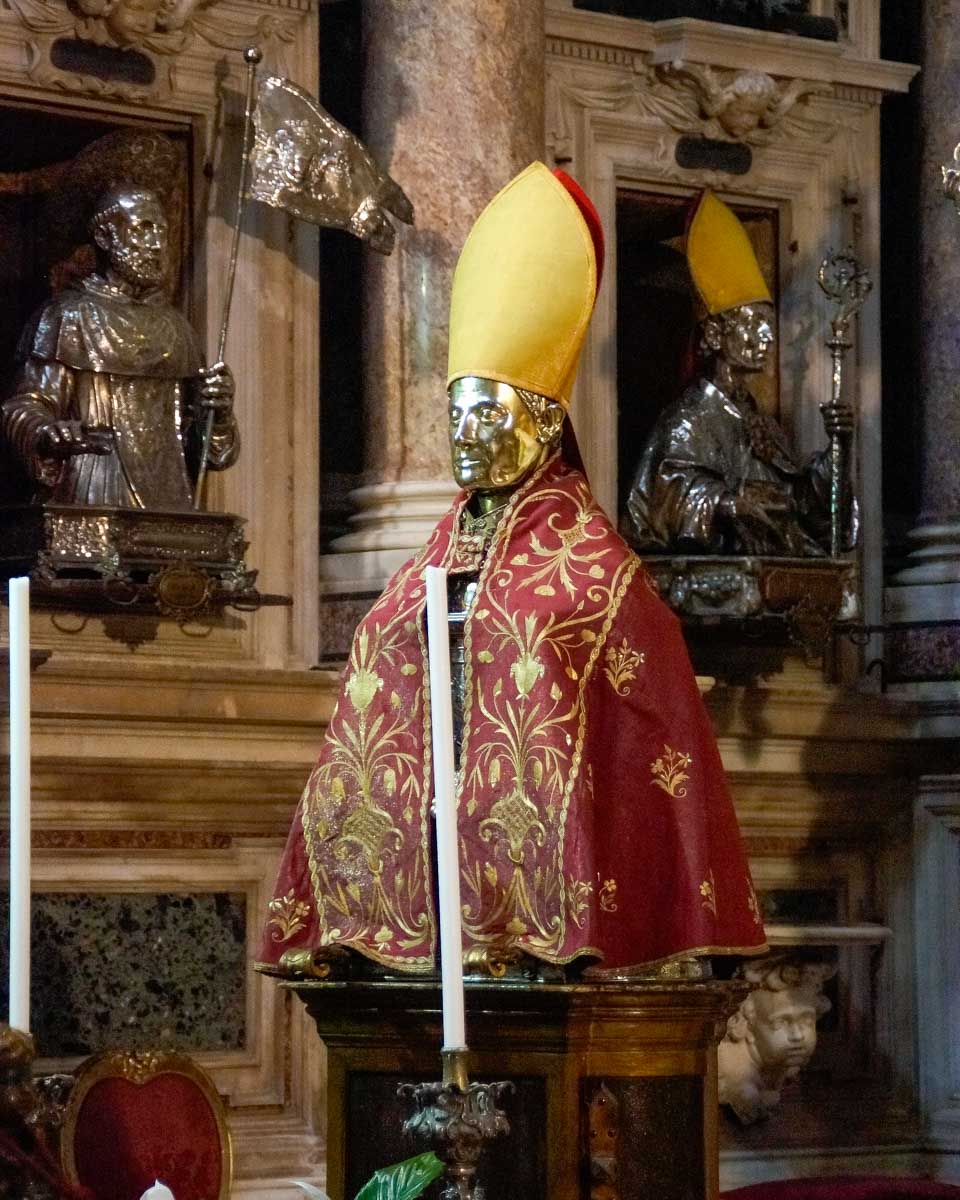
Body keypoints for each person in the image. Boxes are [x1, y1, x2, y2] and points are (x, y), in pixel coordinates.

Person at [257, 163, 766, 979]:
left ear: (540, 421)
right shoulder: (433, 557)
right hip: (419, 915)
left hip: (548, 952)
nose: (464, 434)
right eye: (454, 411)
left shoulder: (596, 574)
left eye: (485, 410)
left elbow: (650, 722)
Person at [625, 190, 855, 557]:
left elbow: (804, 507)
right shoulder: (690, 419)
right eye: (753, 323)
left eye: (768, 324)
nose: (767, 336)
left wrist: (839, 448)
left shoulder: (761, 422)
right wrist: (729, 504)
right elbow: (662, 499)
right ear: (715, 334)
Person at [3, 186, 237, 510]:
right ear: (104, 236)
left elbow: (202, 454)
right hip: (90, 499)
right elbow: (25, 406)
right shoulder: (69, 317)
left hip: (169, 513)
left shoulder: (177, 330)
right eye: (144, 229)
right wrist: (47, 431)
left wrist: (219, 416)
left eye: (162, 232)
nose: (157, 245)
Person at [718, 957, 834, 1124]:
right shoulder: (733, 1073)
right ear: (747, 1023)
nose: (798, 1035)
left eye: (807, 1020)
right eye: (781, 1022)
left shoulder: (781, 1060)